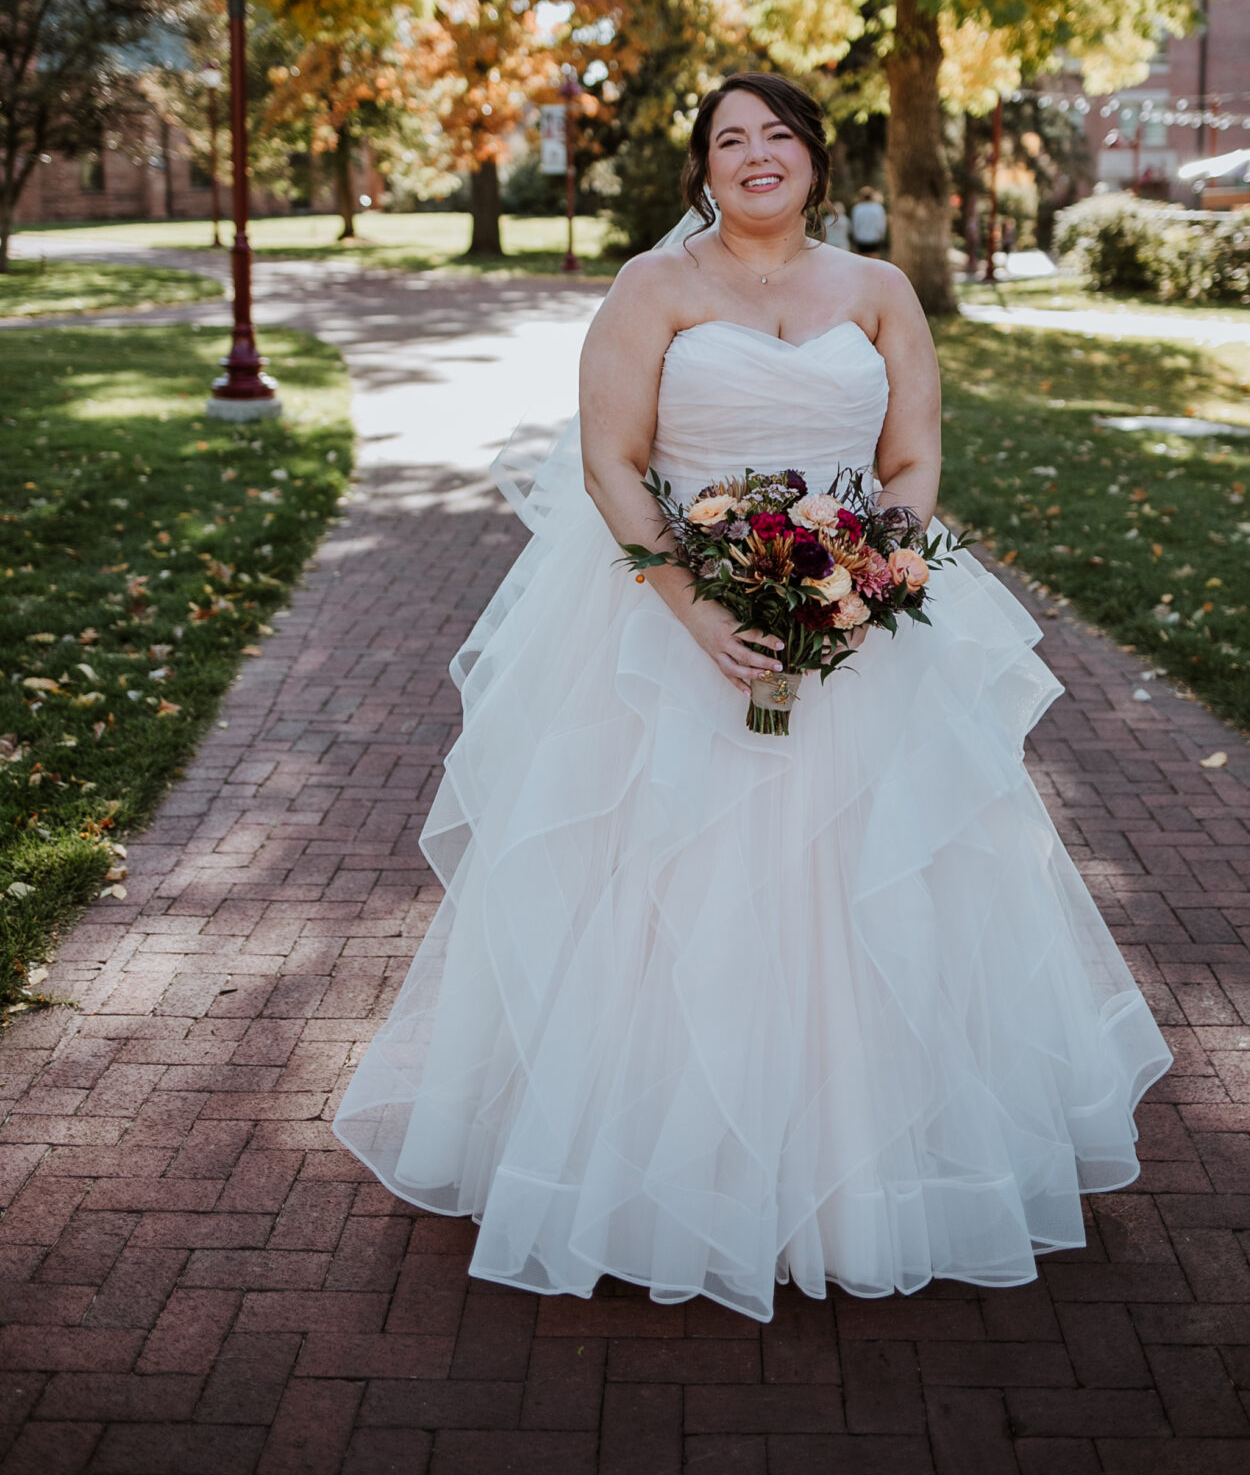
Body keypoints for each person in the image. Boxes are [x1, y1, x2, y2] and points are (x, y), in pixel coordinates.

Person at [334, 70, 1170, 1323]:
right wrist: (699, 605)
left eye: (778, 133)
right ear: (703, 172)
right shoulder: (653, 289)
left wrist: (869, 574)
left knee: (876, 878)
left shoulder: (879, 293)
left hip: (858, 633)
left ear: (816, 160)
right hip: (673, 629)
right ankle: (653, 1178)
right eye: (730, 139)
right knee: (667, 884)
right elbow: (610, 460)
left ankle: (868, 1181)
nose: (756, 153)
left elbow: (912, 454)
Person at [849, 184, 888, 255]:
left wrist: (855, 237)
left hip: (861, 238)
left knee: (862, 260)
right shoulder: (878, 208)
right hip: (874, 238)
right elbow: (881, 224)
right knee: (874, 260)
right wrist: (881, 235)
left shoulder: (857, 208)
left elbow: (855, 225)